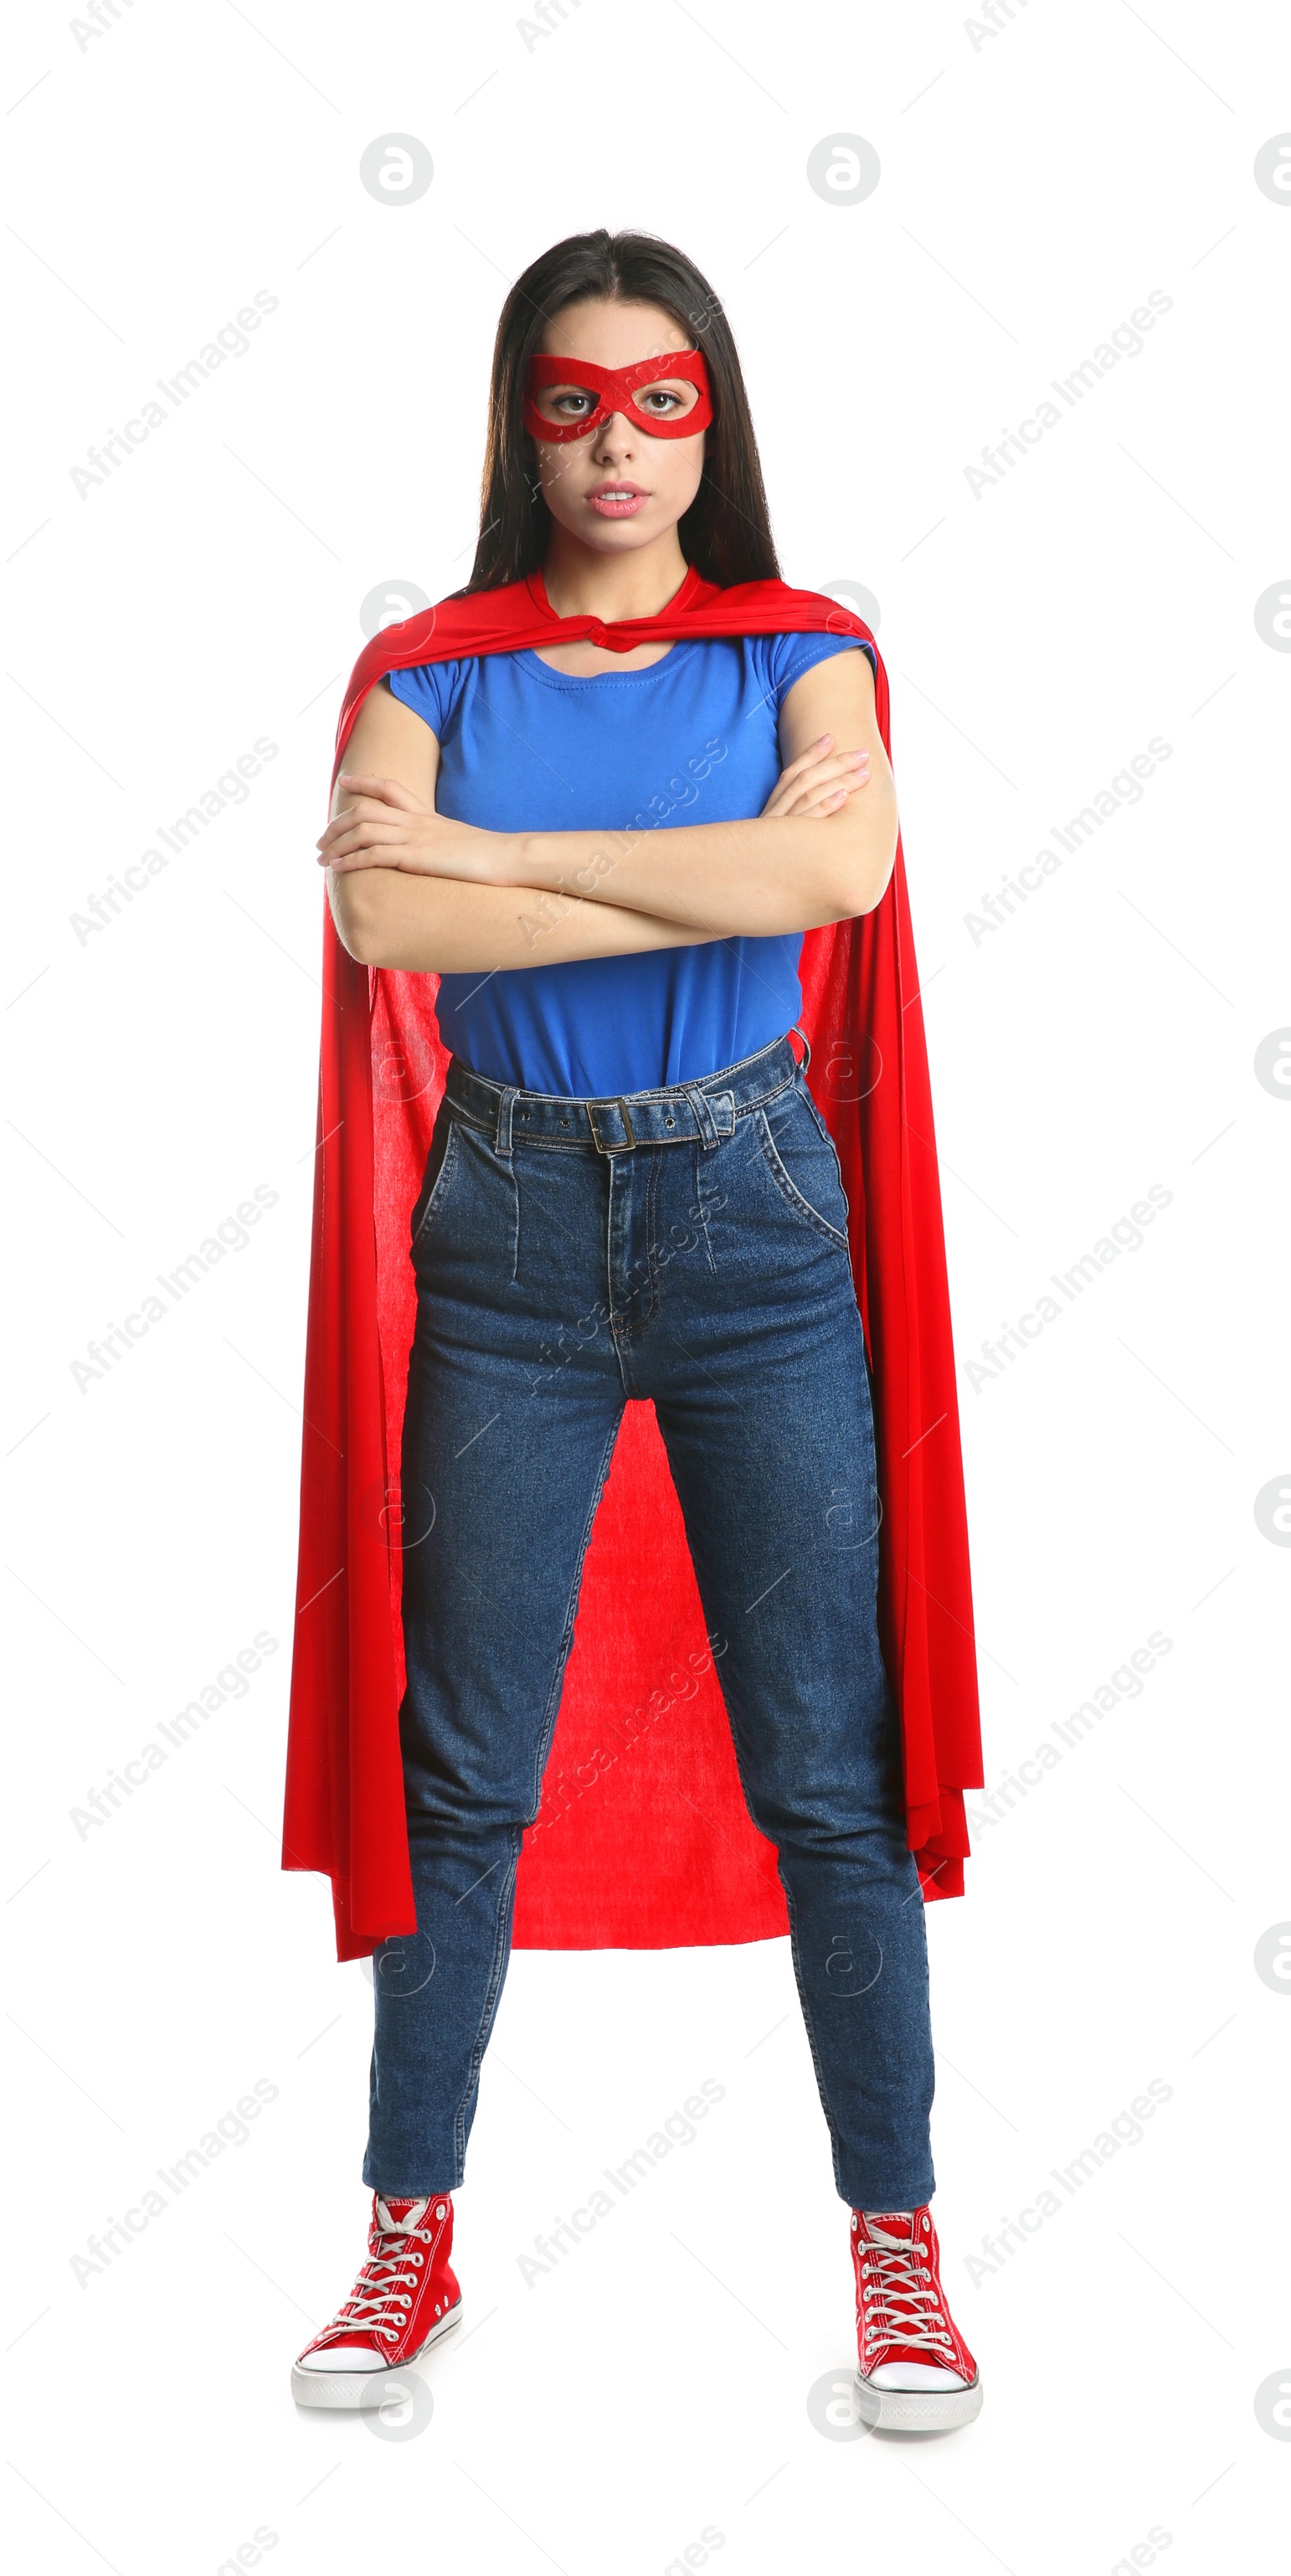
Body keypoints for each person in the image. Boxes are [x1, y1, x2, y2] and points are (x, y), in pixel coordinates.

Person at [285, 229, 983, 2430]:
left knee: (828, 1770)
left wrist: (508, 859)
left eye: (659, 396)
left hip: (755, 1212)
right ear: (521, 418)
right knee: (463, 1764)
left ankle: (902, 2255)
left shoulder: (813, 646)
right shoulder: (423, 661)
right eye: (573, 397)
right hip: (503, 1223)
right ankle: (412, 2235)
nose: (615, 438)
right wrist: (674, 865)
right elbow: (381, 911)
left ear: (715, 417)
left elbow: (833, 889)